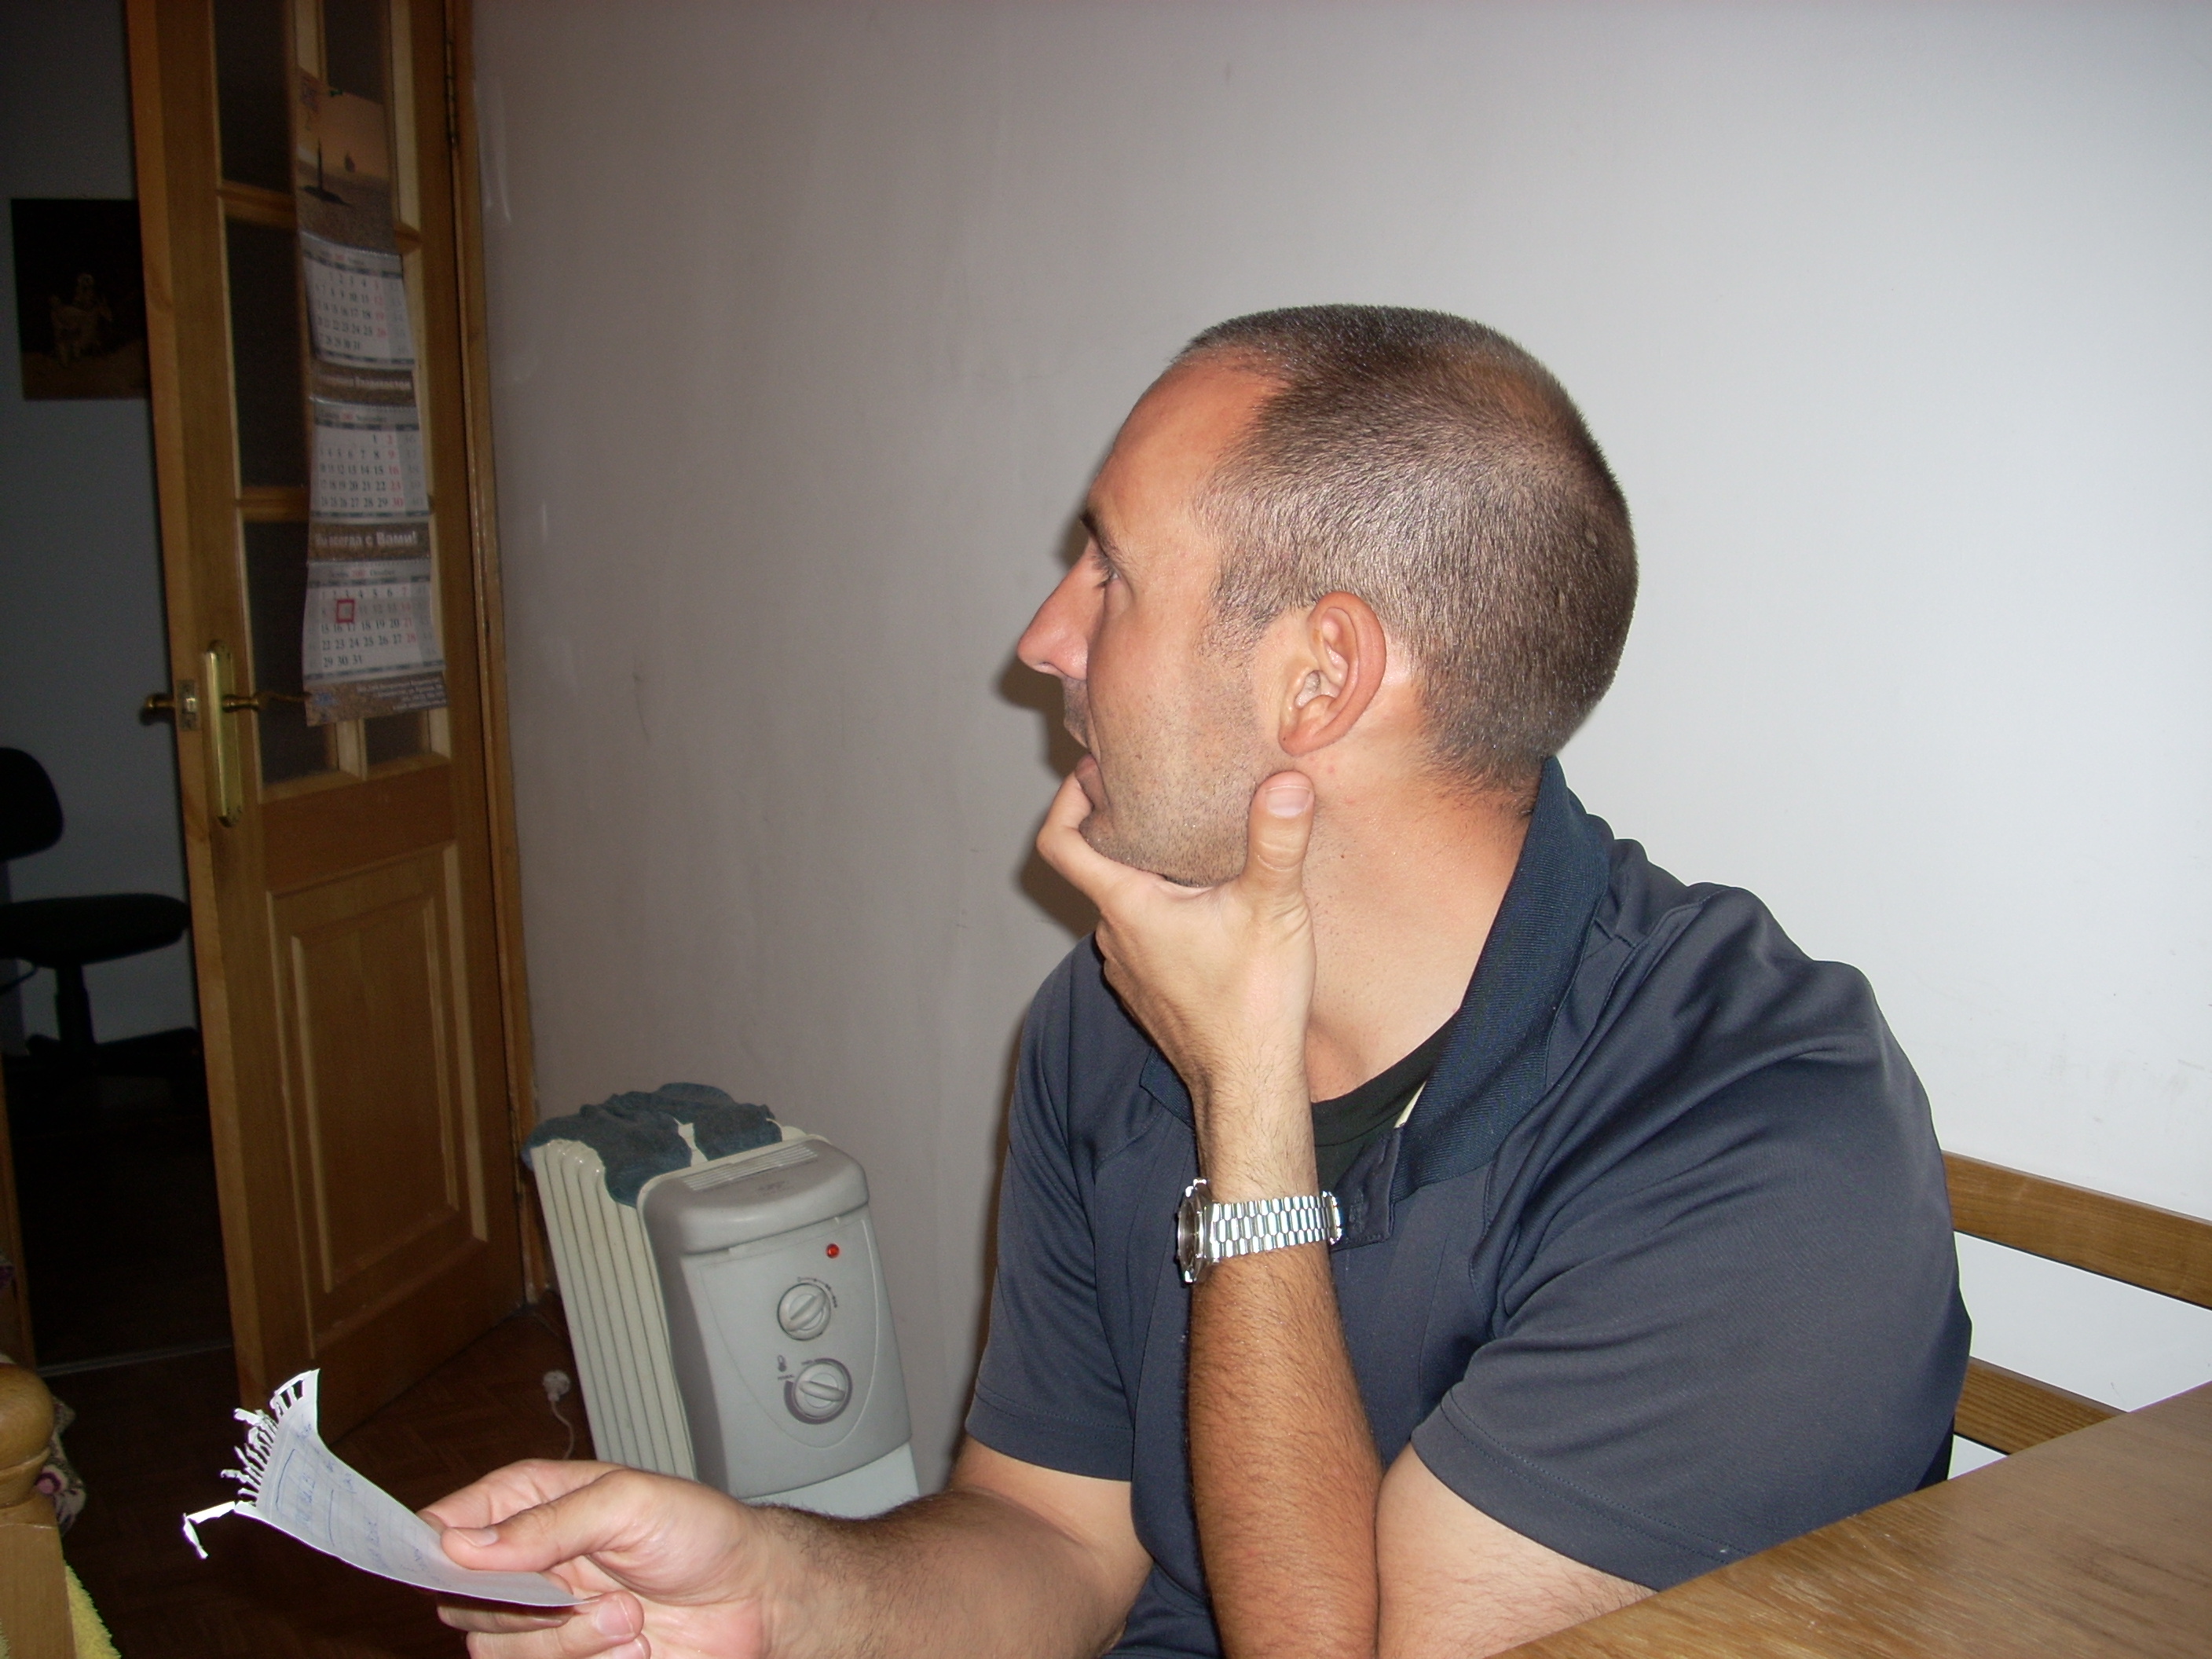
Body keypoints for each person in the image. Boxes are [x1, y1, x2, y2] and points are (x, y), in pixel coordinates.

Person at [431, 306, 1968, 1659]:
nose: (1044, 640)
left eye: (1112, 571)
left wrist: (1248, 1111)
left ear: (1321, 677)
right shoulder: (1111, 1018)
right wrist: (777, 1591)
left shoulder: (1759, 1136)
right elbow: (1054, 1540)